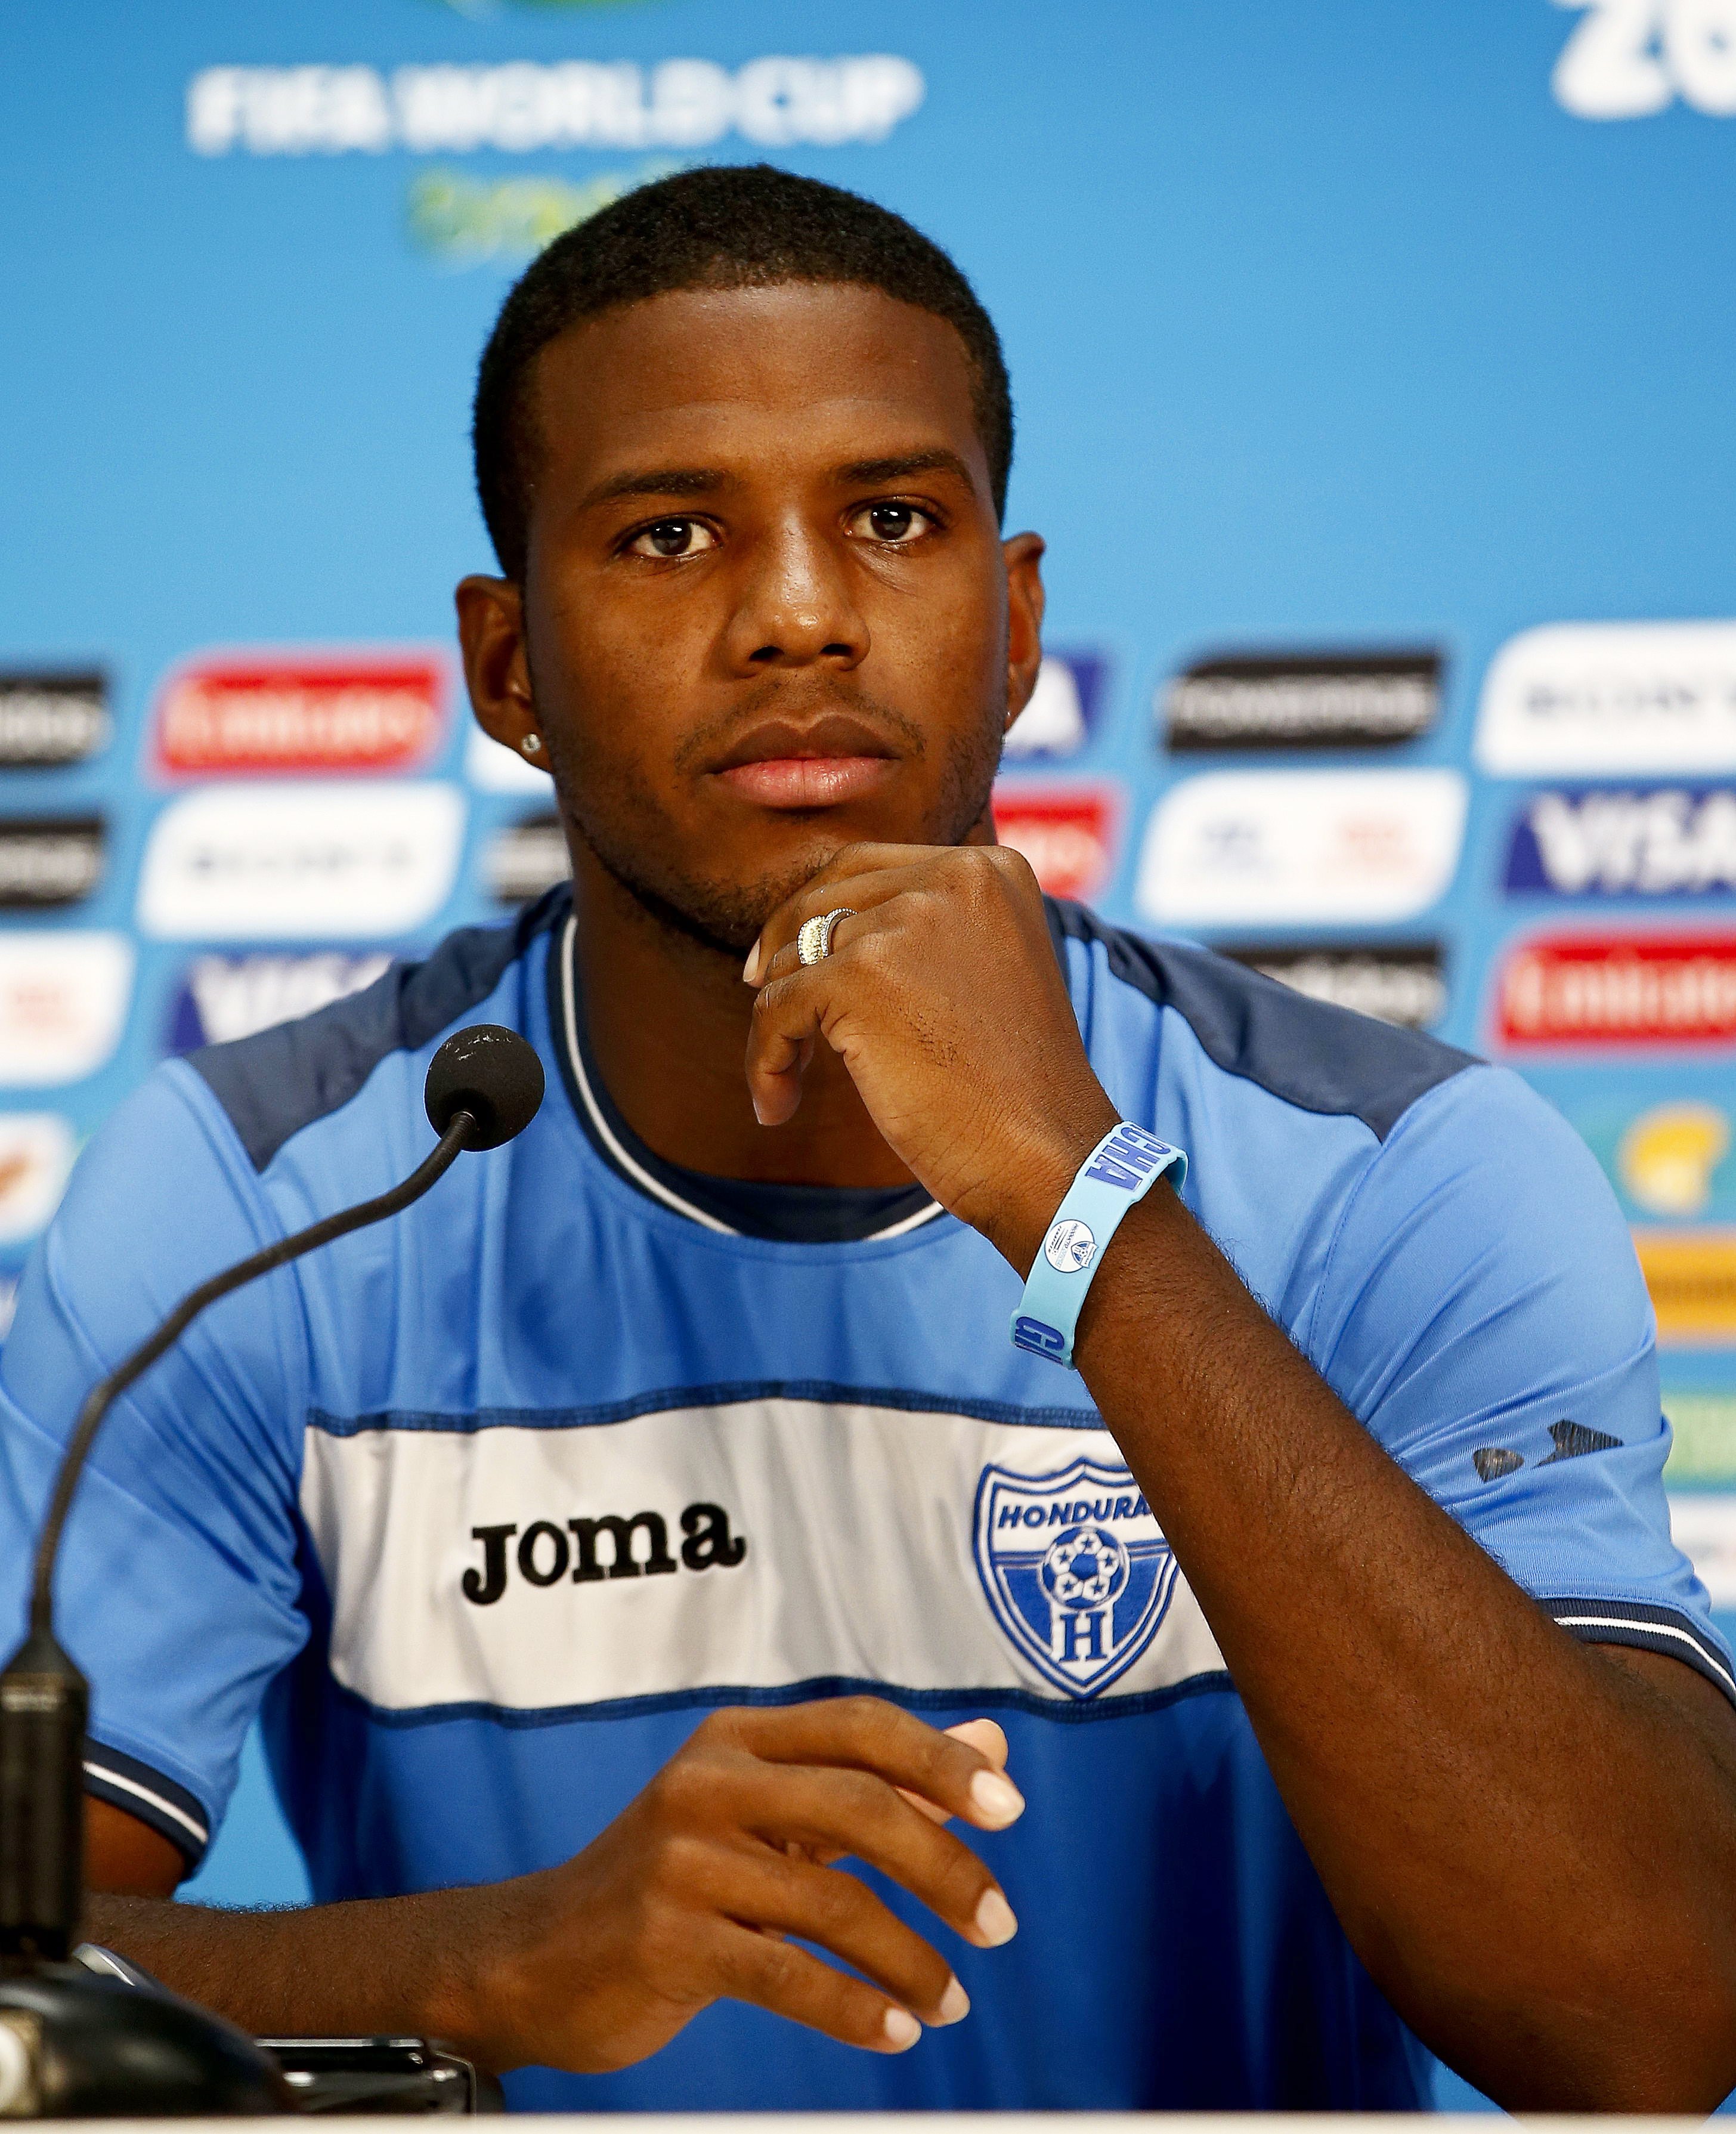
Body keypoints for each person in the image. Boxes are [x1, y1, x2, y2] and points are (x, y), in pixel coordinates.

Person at [4, 163, 1735, 2114]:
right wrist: (492, 1958)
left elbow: (1647, 2017)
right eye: (670, 537)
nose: (801, 617)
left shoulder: (1395, 1178)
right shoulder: (261, 1210)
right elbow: (13, 1974)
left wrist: (1086, 1208)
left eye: (892, 520)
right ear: (508, 672)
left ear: (1012, 623)